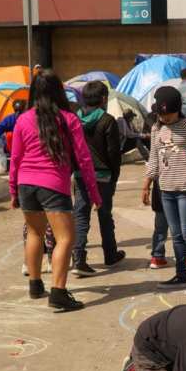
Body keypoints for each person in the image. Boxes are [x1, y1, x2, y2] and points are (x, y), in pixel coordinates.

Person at [9, 69, 102, 312]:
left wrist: (12, 191)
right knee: (66, 238)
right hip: (52, 184)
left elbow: (15, 158)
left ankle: (35, 284)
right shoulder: (69, 119)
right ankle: (58, 293)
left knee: (34, 233)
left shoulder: (23, 119)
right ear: (59, 91)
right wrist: (94, 192)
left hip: (25, 184)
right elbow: (84, 158)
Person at [142, 85, 186, 295]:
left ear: (178, 109)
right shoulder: (156, 129)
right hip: (165, 190)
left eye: (168, 114)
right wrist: (147, 184)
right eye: (160, 114)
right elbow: (153, 160)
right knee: (176, 234)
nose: (164, 118)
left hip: (185, 188)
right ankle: (181, 274)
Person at [72, 81, 124, 277]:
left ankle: (79, 258)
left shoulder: (74, 120)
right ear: (103, 99)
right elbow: (113, 154)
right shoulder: (108, 120)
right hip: (103, 176)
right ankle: (110, 254)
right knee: (105, 215)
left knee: (81, 215)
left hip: (80, 175)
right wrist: (114, 176)